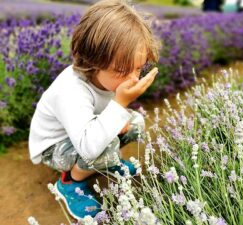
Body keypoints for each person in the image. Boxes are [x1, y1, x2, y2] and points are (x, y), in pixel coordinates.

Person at [28, 0, 160, 220]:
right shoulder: (71, 90)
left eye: (138, 68)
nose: (133, 78)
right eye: (122, 70)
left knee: (134, 121)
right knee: (104, 147)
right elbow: (89, 146)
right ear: (93, 62)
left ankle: (104, 164)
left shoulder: (106, 78)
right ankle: (70, 183)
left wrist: (119, 112)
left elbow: (104, 112)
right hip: (53, 146)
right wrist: (119, 104)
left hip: (82, 131)